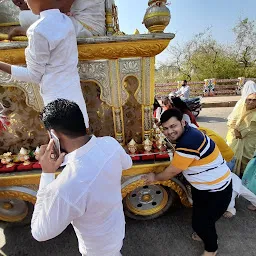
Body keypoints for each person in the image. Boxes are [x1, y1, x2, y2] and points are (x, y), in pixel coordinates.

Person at [31, 99, 132, 256]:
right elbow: (128, 164)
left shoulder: (67, 184)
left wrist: (47, 173)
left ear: (54, 135)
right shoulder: (110, 144)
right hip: (116, 231)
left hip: (96, 249)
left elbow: (39, 232)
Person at [143, 108, 232, 256]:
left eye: (173, 126)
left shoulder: (188, 142)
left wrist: (154, 178)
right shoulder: (189, 132)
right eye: (165, 128)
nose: (169, 131)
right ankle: (204, 232)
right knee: (200, 214)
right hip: (205, 187)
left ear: (183, 123)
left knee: (201, 222)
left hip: (216, 190)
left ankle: (211, 248)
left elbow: (172, 171)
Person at [0, 0, 89, 128]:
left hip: (56, 102)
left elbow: (33, 76)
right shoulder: (65, 21)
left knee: (61, 143)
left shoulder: (37, 31)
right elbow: (49, 32)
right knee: (81, 136)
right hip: (74, 94)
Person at [9, 0, 106, 39]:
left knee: (24, 17)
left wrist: (28, 4)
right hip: (75, 22)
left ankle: (32, 31)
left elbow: (61, 8)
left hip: (87, 28)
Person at [226, 80, 256, 176]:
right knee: (234, 159)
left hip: (250, 142)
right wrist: (236, 130)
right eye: (249, 100)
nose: (251, 102)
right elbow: (232, 120)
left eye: (254, 100)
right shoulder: (241, 104)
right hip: (237, 140)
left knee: (248, 161)